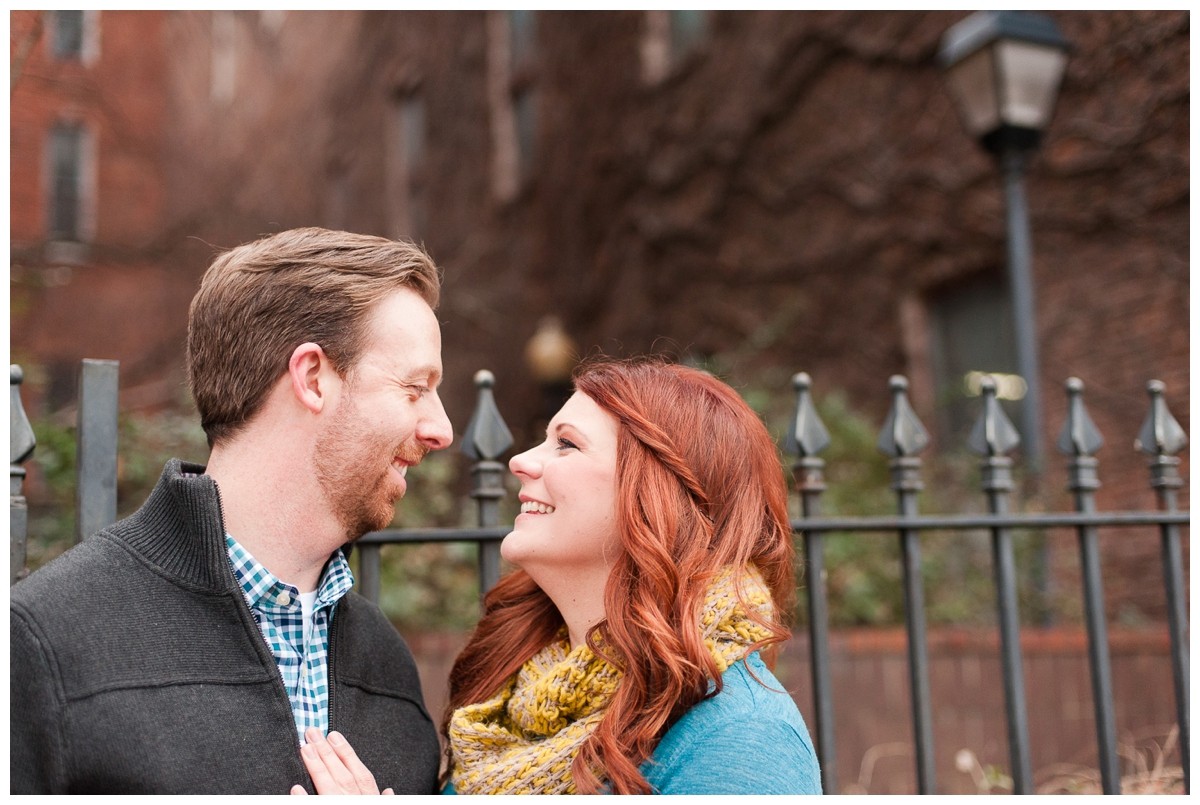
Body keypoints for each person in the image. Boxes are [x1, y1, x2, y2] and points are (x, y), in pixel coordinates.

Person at [10, 227, 454, 794]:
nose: (439, 429)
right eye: (415, 389)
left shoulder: (386, 664)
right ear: (313, 378)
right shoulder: (44, 643)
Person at [298, 357, 822, 795]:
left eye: (566, 444)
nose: (521, 461)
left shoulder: (742, 739)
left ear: (658, 494)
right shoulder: (508, 704)